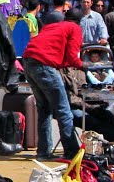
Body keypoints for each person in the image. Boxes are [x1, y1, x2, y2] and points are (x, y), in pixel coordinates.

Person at [21, 9, 86, 159]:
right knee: (63, 111)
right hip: (44, 64)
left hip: (29, 61)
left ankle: (43, 152)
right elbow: (72, 57)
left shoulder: (52, 26)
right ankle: (72, 153)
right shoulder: (74, 28)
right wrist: (83, 65)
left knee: (44, 109)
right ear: (79, 21)